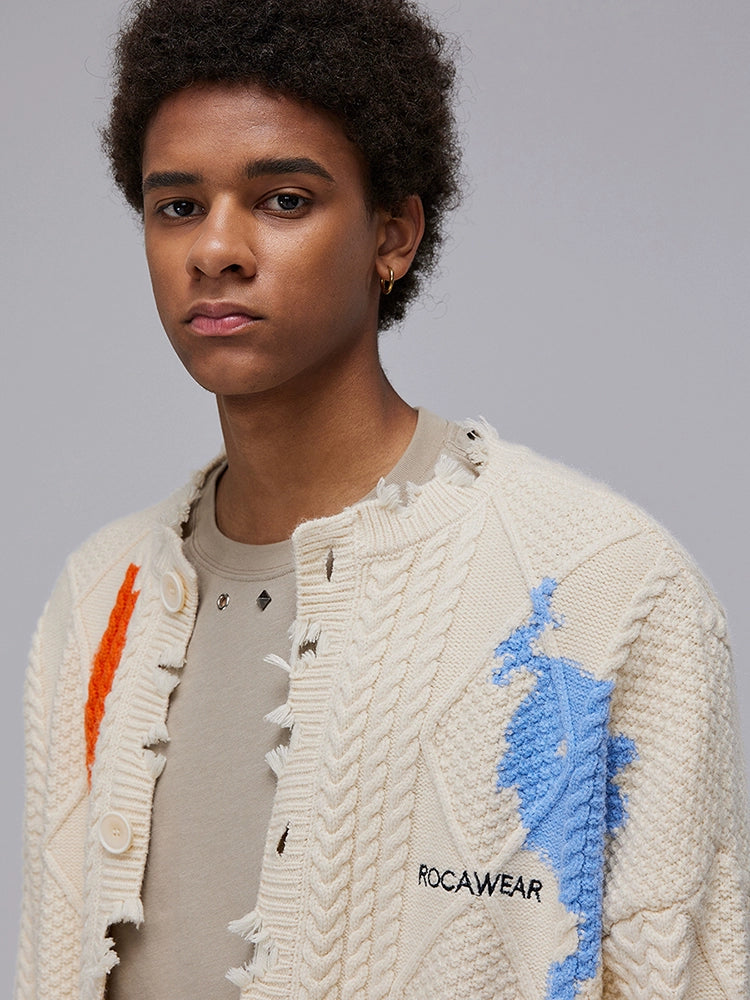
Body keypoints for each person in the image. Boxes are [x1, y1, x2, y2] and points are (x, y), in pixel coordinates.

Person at [15, 0, 749, 997]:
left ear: (393, 235)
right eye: (177, 205)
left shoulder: (604, 589)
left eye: (283, 200)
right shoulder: (99, 598)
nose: (215, 249)